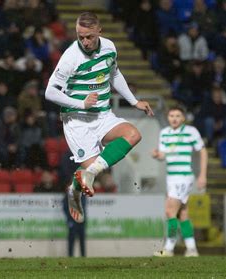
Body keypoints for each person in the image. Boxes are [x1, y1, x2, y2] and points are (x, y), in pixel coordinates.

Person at [44, 12, 154, 224]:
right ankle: (74, 189)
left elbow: (114, 74)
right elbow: (50, 92)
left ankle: (87, 175)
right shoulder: (70, 57)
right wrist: (81, 103)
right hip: (77, 120)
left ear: (99, 32)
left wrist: (134, 101)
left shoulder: (109, 47)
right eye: (80, 36)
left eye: (89, 37)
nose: (85, 41)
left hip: (102, 115)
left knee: (133, 134)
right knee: (92, 168)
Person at [152, 106, 207, 257]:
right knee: (182, 213)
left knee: (170, 211)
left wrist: (202, 175)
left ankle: (169, 248)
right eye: (171, 115)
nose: (174, 118)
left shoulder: (191, 131)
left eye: (177, 116)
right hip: (171, 177)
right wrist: (157, 155)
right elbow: (164, 155)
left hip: (184, 176)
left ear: (183, 118)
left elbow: (202, 151)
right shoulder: (164, 133)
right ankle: (192, 249)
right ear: (168, 117)